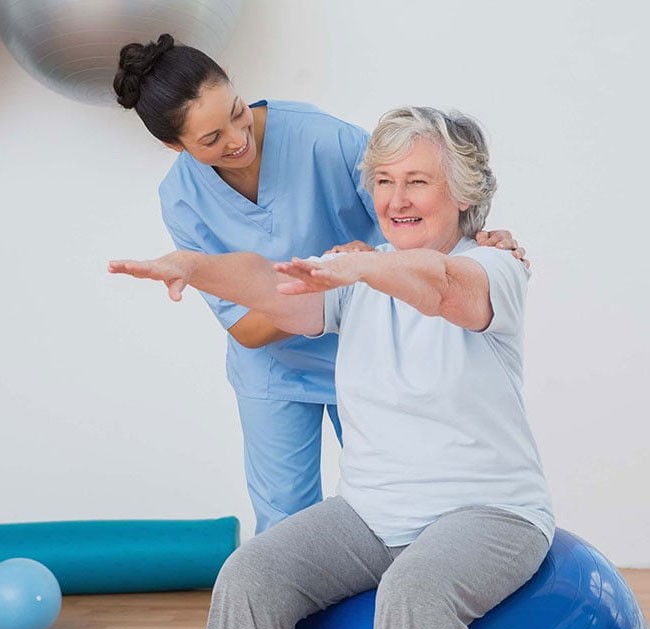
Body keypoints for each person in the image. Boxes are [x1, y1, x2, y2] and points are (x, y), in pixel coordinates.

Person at [109, 105, 554, 629]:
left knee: (414, 591)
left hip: (490, 513)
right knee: (249, 575)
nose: (395, 200)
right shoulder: (358, 272)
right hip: (370, 517)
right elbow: (269, 285)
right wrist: (194, 266)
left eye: (417, 182)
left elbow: (441, 286)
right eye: (384, 181)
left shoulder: (494, 267)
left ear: (463, 194)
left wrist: (362, 267)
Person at [113, 33, 527, 534]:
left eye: (238, 112)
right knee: (284, 526)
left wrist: (478, 240)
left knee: (401, 512)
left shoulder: (324, 140)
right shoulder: (182, 198)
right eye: (211, 139)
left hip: (377, 350)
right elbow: (245, 328)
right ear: (173, 146)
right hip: (276, 371)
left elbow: (418, 218)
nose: (237, 138)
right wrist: (326, 285)